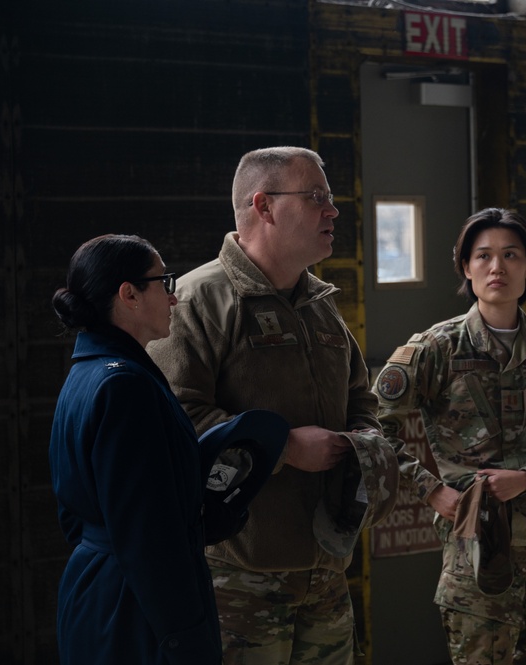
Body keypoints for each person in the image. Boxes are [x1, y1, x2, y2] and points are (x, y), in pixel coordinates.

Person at [147, 146, 398, 665]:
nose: (333, 211)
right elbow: (174, 421)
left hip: (325, 570)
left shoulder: (321, 305)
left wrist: (362, 442)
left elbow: (359, 396)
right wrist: (282, 448)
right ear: (263, 206)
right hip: (238, 577)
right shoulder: (197, 303)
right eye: (317, 198)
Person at [374, 207, 526, 664]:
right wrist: (431, 490)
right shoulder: (437, 348)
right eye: (484, 256)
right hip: (475, 552)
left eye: (511, 255)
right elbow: (375, 429)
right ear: (466, 267)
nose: (498, 267)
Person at [49, 234, 222, 665]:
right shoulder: (125, 385)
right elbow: (147, 533)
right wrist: (185, 636)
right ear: (128, 294)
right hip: (135, 608)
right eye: (163, 282)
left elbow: (74, 516)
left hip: (96, 588)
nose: (174, 297)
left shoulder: (85, 375)